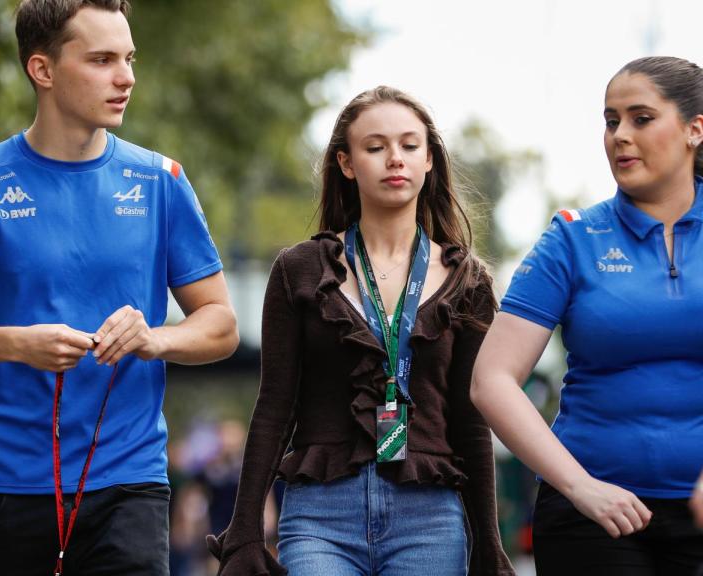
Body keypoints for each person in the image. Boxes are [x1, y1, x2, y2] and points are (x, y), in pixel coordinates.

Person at [0, 0, 238, 574]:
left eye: (128, 58)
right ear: (42, 70)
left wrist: (157, 338)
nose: (126, 77)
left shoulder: (161, 181)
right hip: (2, 487)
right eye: (101, 60)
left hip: (129, 482)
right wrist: (14, 343)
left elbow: (220, 323)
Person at [208, 86, 513, 576]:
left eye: (410, 146)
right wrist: (244, 526)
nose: (395, 158)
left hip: (430, 517)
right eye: (375, 147)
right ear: (347, 164)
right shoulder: (299, 270)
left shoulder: (468, 280)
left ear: (430, 160)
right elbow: (274, 404)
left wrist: (489, 544)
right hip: (320, 516)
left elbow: (471, 419)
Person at [471, 55, 703, 576]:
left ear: (694, 130)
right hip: (591, 521)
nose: (620, 135)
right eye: (611, 120)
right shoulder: (571, 240)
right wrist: (580, 487)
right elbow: (492, 380)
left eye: (641, 118)